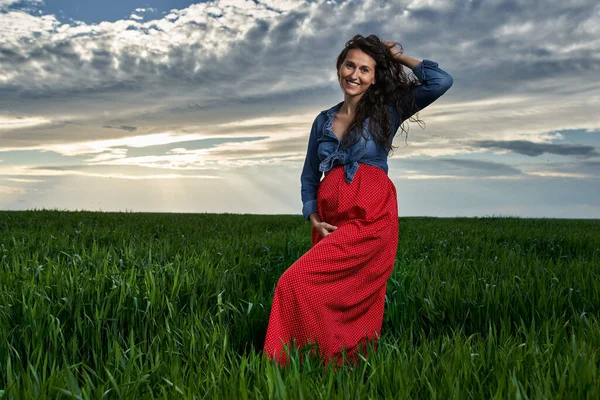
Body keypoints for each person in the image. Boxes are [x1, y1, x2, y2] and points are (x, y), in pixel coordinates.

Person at [263, 34, 453, 365]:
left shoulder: (389, 111)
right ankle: (319, 365)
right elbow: (310, 175)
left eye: (365, 69)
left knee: (296, 282)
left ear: (375, 76)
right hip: (329, 222)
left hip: (371, 218)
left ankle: (287, 362)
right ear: (339, 68)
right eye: (350, 65)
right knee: (327, 296)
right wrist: (312, 216)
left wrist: (398, 58)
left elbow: (440, 81)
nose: (355, 74)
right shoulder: (323, 120)